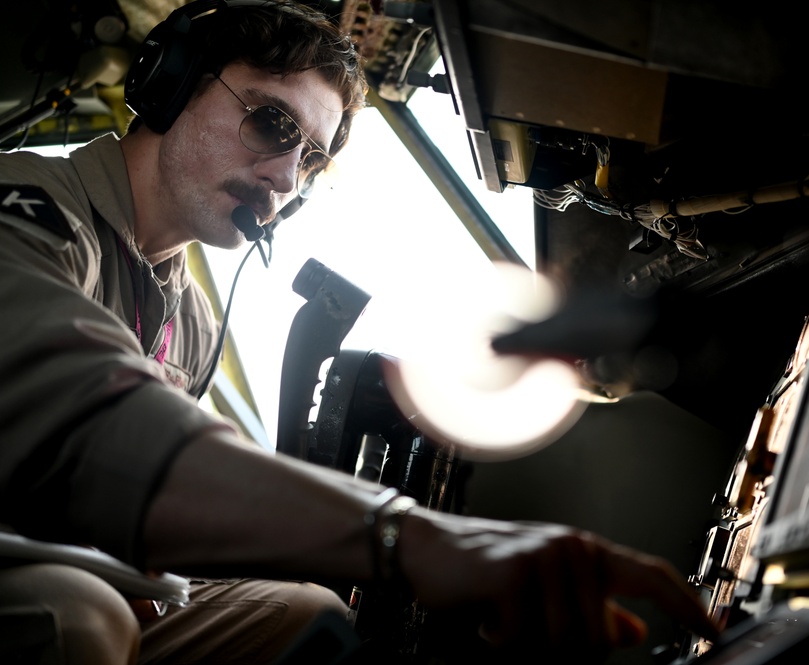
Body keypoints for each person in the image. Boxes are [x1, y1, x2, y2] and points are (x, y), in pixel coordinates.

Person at [0, 1, 720, 663]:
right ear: (174, 84)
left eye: (309, 158)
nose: (285, 177)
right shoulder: (27, 213)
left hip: (93, 567)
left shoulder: (188, 319)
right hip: (48, 579)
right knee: (80, 615)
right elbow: (88, 421)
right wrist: (406, 538)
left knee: (301, 613)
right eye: (273, 124)